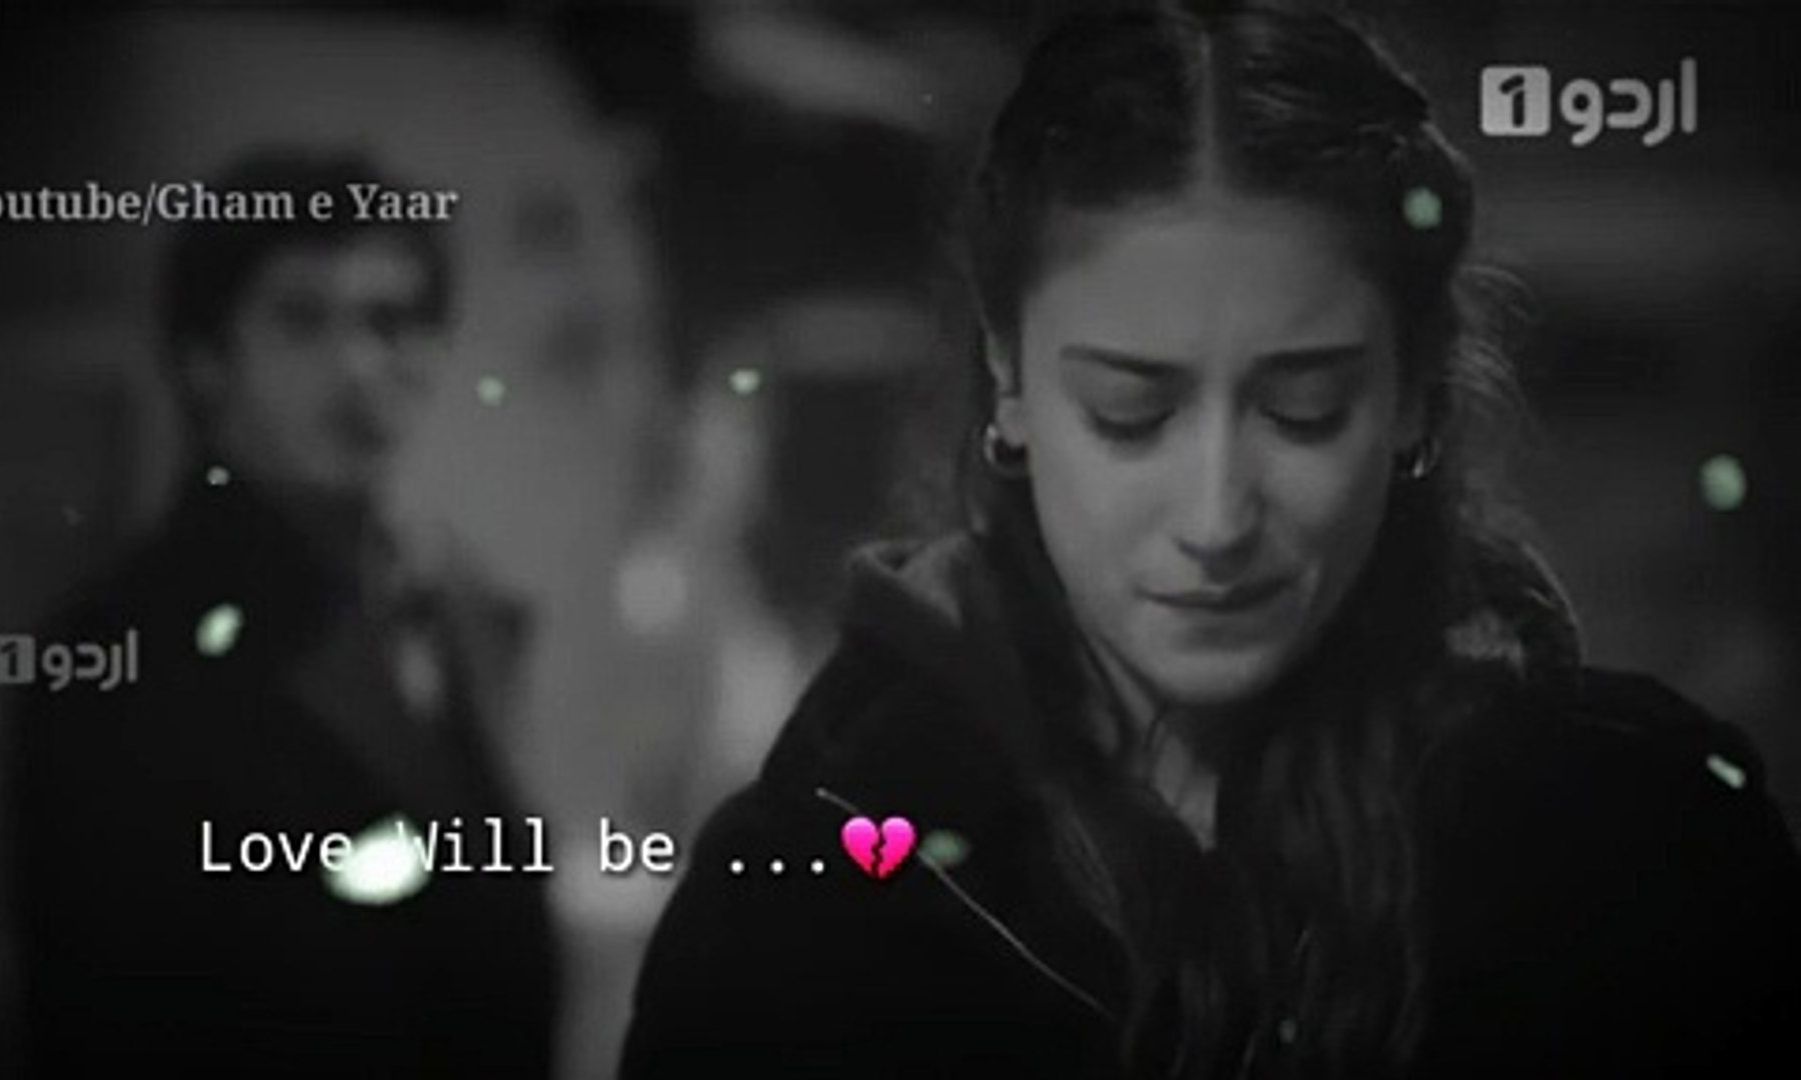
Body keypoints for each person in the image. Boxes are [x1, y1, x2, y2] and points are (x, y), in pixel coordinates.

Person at [617, 3, 1801, 1077]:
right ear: (1008, 382)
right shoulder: (799, 913)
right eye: (1130, 414)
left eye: (1305, 410)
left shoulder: (1647, 847)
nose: (1218, 517)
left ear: (1416, 398)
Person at [12, 148, 558, 1075]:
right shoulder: (119, 655)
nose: (359, 366)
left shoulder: (448, 608)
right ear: (206, 360)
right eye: (302, 319)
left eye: (394, 321)